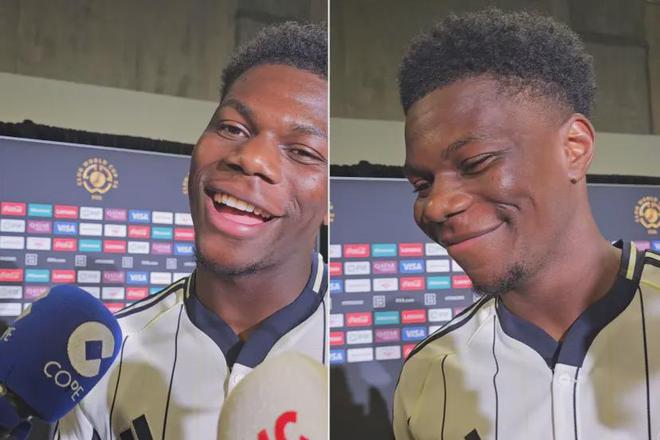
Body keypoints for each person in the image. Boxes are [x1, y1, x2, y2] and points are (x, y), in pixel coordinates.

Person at [393, 9, 660, 440]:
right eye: (421, 185)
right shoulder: (428, 375)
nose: (437, 206)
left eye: (476, 163)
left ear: (574, 147)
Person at [56, 21, 328, 439]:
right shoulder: (104, 357)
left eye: (303, 151)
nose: (251, 158)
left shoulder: (385, 371)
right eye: (232, 128)